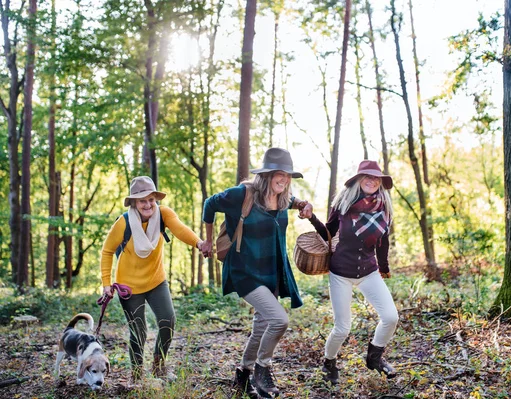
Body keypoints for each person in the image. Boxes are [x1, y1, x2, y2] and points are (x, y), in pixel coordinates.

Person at [200, 147, 313, 396]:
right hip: (245, 270)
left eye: (287, 175)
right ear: (267, 174)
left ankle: (243, 373)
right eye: (279, 174)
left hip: (271, 271)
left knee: (262, 326)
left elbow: (298, 203)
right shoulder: (243, 194)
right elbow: (210, 204)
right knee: (279, 320)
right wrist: (207, 241)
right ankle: (263, 368)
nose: (284, 179)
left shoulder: (283, 198)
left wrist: (307, 205)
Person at [100, 176, 203, 383]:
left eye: (151, 200)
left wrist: (199, 243)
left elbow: (180, 229)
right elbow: (107, 251)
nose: (148, 205)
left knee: (168, 320)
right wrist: (106, 283)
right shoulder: (124, 222)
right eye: (142, 200)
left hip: (156, 281)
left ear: (156, 199)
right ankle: (136, 378)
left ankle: (159, 366)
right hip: (129, 286)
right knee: (138, 331)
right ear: (134, 203)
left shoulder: (164, 214)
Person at [308, 160, 399, 384]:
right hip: (341, 272)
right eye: (367, 176)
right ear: (358, 180)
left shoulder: (383, 209)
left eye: (376, 178)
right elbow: (328, 232)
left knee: (390, 317)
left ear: (380, 182)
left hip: (369, 271)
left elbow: (383, 241)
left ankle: (374, 358)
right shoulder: (343, 205)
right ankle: (329, 363)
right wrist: (311, 217)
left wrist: (384, 268)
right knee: (342, 328)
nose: (372, 180)